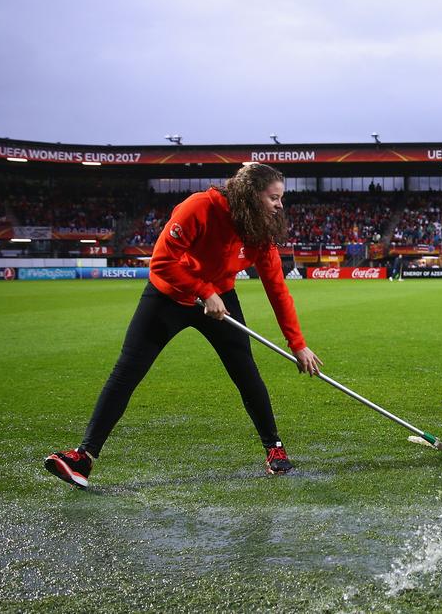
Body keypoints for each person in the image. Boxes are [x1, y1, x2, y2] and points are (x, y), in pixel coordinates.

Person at [43, 163, 323, 488]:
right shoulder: (198, 207)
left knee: (246, 373)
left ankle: (274, 449)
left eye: (281, 198)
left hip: (221, 298)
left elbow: (277, 288)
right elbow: (162, 260)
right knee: (127, 371)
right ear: (250, 195)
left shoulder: (259, 230)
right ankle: (82, 458)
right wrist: (203, 291)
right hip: (168, 297)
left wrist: (297, 344)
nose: (280, 205)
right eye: (274, 197)